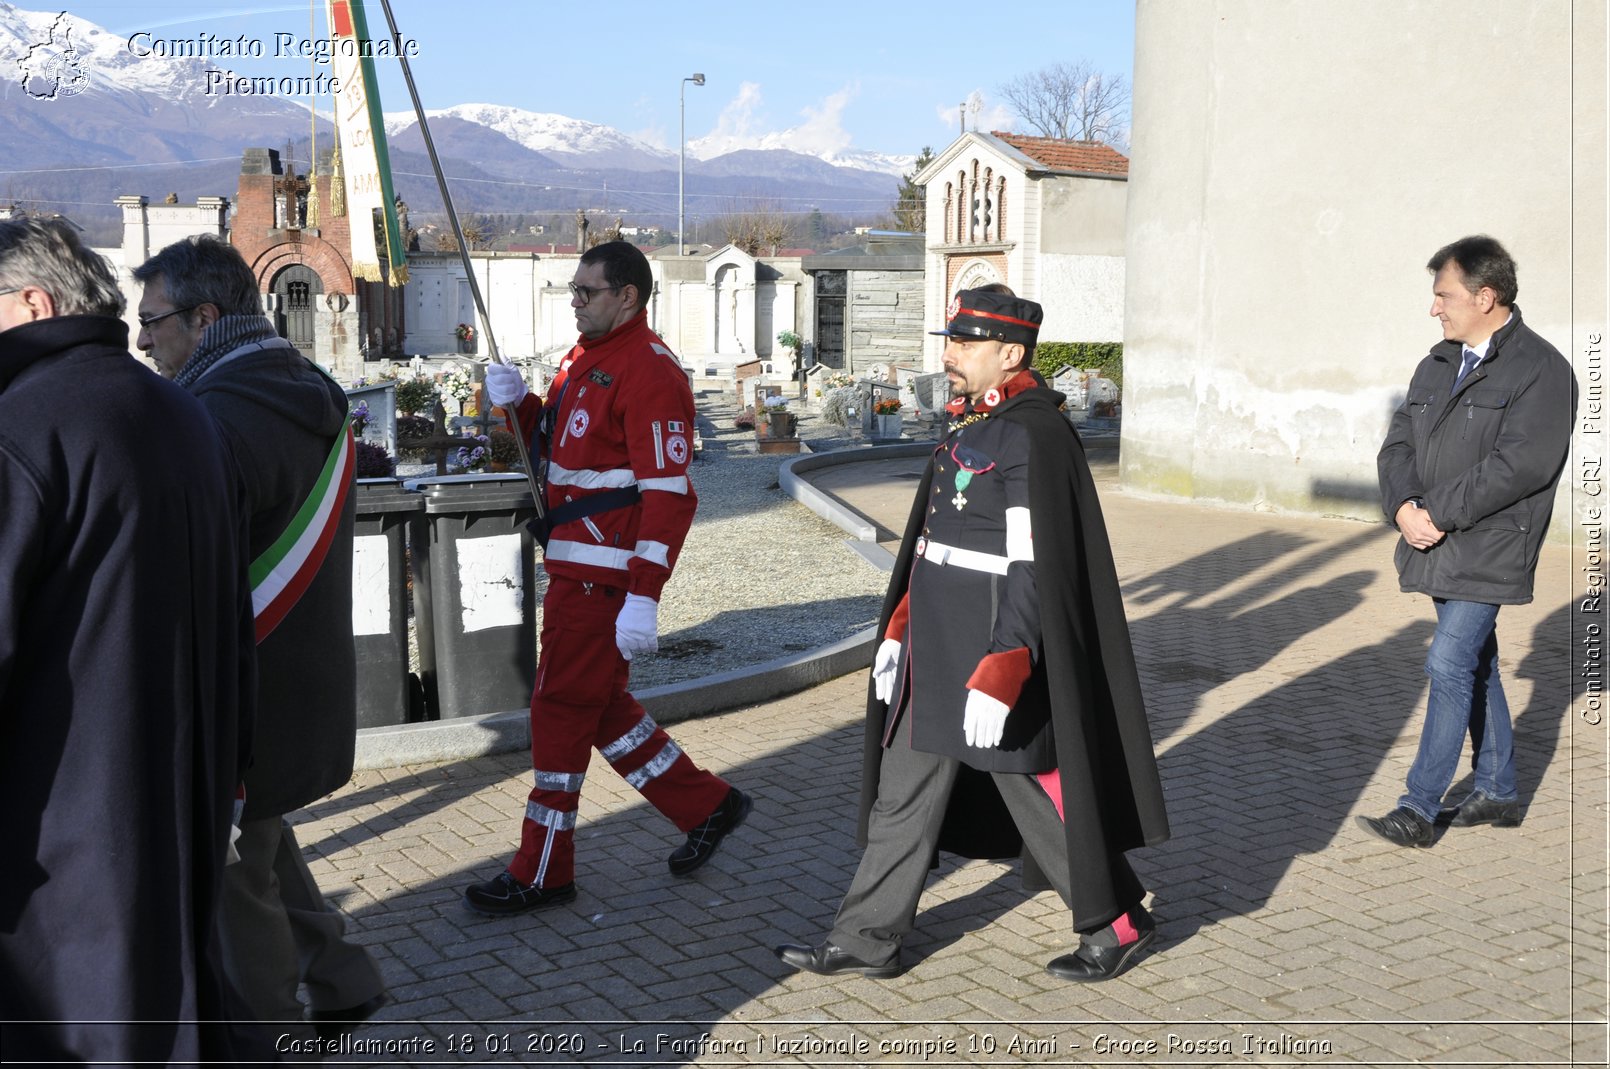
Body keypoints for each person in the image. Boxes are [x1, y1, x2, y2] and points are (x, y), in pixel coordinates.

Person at [776, 288, 1169, 981]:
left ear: (1010, 353)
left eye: (965, 343)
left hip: (991, 645)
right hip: (936, 642)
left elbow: (1035, 562)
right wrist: (900, 629)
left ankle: (1118, 920)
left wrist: (1007, 662)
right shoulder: (972, 423)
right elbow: (932, 546)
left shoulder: (1030, 433)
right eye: (951, 340)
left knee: (1032, 783)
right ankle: (867, 937)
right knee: (902, 788)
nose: (949, 354)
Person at [0, 219, 268, 1061]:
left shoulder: (19, 427)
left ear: (33, 303)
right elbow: (238, 618)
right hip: (179, 796)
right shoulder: (185, 414)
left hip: (54, 835)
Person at [133, 236, 387, 1038]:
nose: (142, 342)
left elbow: (183, 560)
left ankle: (269, 1037)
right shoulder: (299, 383)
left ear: (204, 318)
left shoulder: (213, 416)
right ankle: (342, 977)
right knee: (264, 839)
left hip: (242, 689)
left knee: (237, 881)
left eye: (152, 322)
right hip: (297, 677)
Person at [468, 240, 750, 915]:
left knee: (560, 709)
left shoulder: (649, 372)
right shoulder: (583, 359)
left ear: (627, 296)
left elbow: (670, 494)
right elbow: (565, 450)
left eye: (587, 292)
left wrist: (643, 598)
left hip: (602, 581)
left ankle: (543, 868)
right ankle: (707, 804)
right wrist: (521, 407)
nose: (575, 301)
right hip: (574, 565)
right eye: (573, 290)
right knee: (600, 707)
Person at [1364, 236, 1576, 847]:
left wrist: (1434, 511)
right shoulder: (1436, 360)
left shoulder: (1542, 370)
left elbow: (1521, 466)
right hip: (1436, 536)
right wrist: (1403, 505)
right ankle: (1500, 792)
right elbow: (1398, 442)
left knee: (1449, 660)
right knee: (1477, 663)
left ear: (1486, 297)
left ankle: (1419, 808)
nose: (1435, 308)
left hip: (1492, 544)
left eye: (1444, 295)